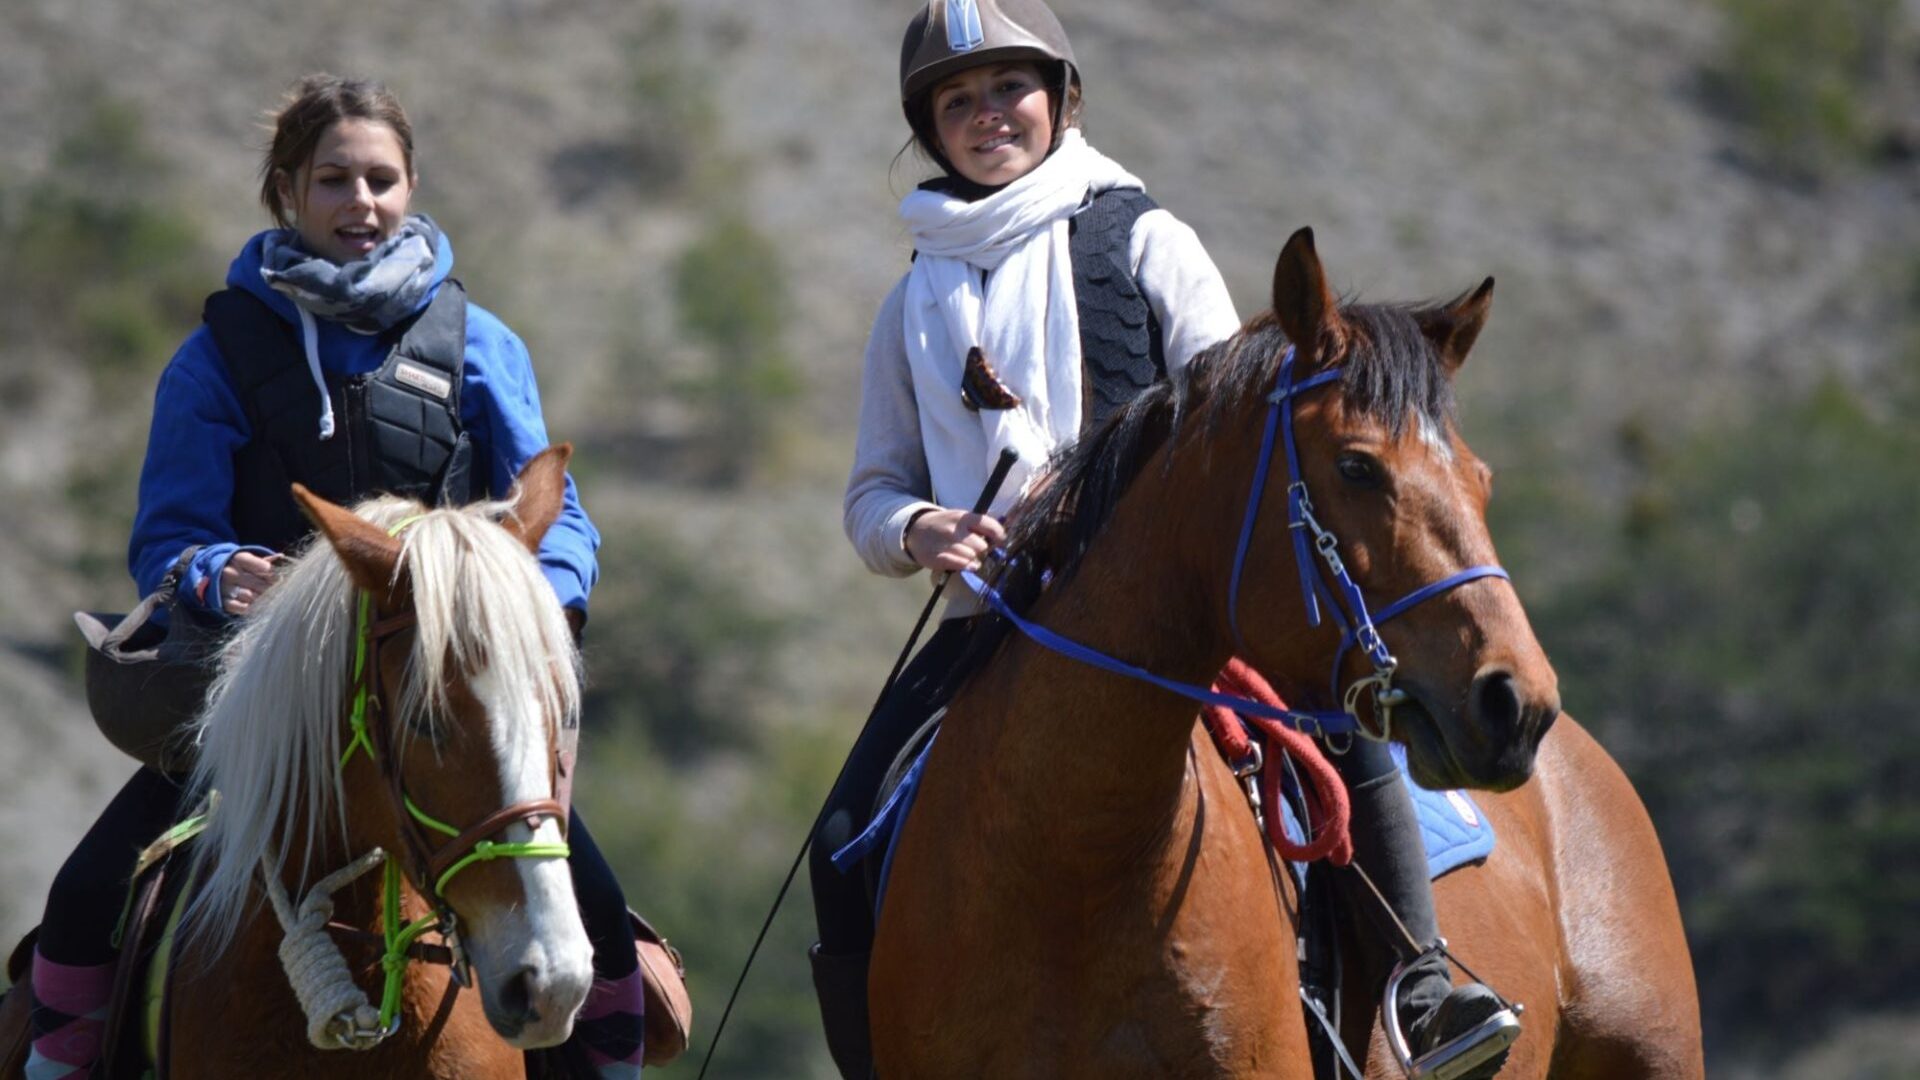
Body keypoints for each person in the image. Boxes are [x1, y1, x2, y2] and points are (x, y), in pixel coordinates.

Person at [810, 3, 1515, 1078]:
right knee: (844, 828)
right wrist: (922, 527)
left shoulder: (1145, 238)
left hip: (1169, 615)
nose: (987, 115)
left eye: (1009, 88)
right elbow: (870, 495)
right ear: (929, 127)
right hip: (990, 630)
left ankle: (1423, 978)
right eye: (958, 101)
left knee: (1334, 712)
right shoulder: (911, 296)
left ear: (1062, 97)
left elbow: (1243, 425)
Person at [26, 75, 643, 1080]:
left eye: (382, 179)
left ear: (412, 188)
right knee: (89, 893)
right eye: (334, 181)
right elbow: (168, 537)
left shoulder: (482, 346)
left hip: (432, 686)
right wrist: (217, 570)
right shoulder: (216, 358)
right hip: (273, 702)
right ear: (287, 193)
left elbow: (555, 511)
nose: (362, 201)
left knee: (599, 907)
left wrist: (538, 599)